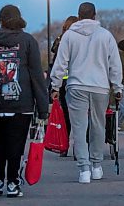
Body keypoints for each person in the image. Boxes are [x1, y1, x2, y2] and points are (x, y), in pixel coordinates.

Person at [0, 4, 49, 198]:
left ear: (1, 19)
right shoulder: (28, 41)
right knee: (16, 145)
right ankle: (13, 183)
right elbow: (36, 77)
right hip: (21, 104)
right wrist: (42, 108)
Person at [50, 2, 123, 184]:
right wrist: (117, 87)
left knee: (79, 128)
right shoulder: (106, 36)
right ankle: (97, 165)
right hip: (100, 87)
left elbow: (61, 63)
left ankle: (84, 169)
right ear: (95, 15)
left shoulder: (69, 36)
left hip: (76, 86)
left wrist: (55, 85)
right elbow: (115, 63)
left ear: (79, 16)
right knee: (98, 126)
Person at [51, 15, 79, 156]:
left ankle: (64, 145)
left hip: (63, 81)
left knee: (66, 115)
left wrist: (55, 84)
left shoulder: (60, 40)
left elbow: (56, 60)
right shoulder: (79, 39)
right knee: (80, 116)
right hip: (78, 80)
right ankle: (78, 146)